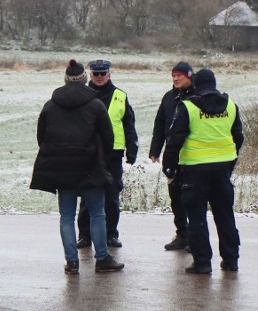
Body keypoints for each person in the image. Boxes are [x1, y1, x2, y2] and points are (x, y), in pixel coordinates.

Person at [30, 60, 124, 275]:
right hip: (91, 166)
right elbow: (108, 138)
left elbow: (41, 137)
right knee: (97, 214)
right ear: (84, 78)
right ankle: (102, 258)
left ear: (65, 78)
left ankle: (72, 262)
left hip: (62, 168)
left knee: (66, 217)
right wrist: (101, 158)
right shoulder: (96, 105)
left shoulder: (50, 105)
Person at [162, 68, 243, 274]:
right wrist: (230, 161)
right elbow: (238, 137)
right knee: (225, 215)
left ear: (196, 85)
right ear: (214, 84)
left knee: (197, 217)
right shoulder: (230, 105)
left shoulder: (188, 107)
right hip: (222, 169)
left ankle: (203, 263)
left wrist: (169, 168)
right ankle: (231, 260)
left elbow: (174, 141)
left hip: (194, 170)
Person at [76, 59, 138, 249]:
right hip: (89, 153)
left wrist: (132, 148)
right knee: (87, 197)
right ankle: (84, 235)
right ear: (90, 74)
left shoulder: (120, 96)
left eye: (103, 73)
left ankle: (111, 234)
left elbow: (129, 124)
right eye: (96, 74)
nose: (100, 77)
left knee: (112, 196)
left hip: (113, 154)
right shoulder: (82, 95)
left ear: (109, 74)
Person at [149, 61, 195, 251]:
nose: (176, 79)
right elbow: (160, 124)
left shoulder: (197, 97)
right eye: (173, 76)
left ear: (189, 77)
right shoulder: (169, 98)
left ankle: (194, 236)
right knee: (175, 197)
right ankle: (182, 234)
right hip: (172, 155)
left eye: (180, 76)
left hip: (193, 156)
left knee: (192, 198)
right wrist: (155, 150)